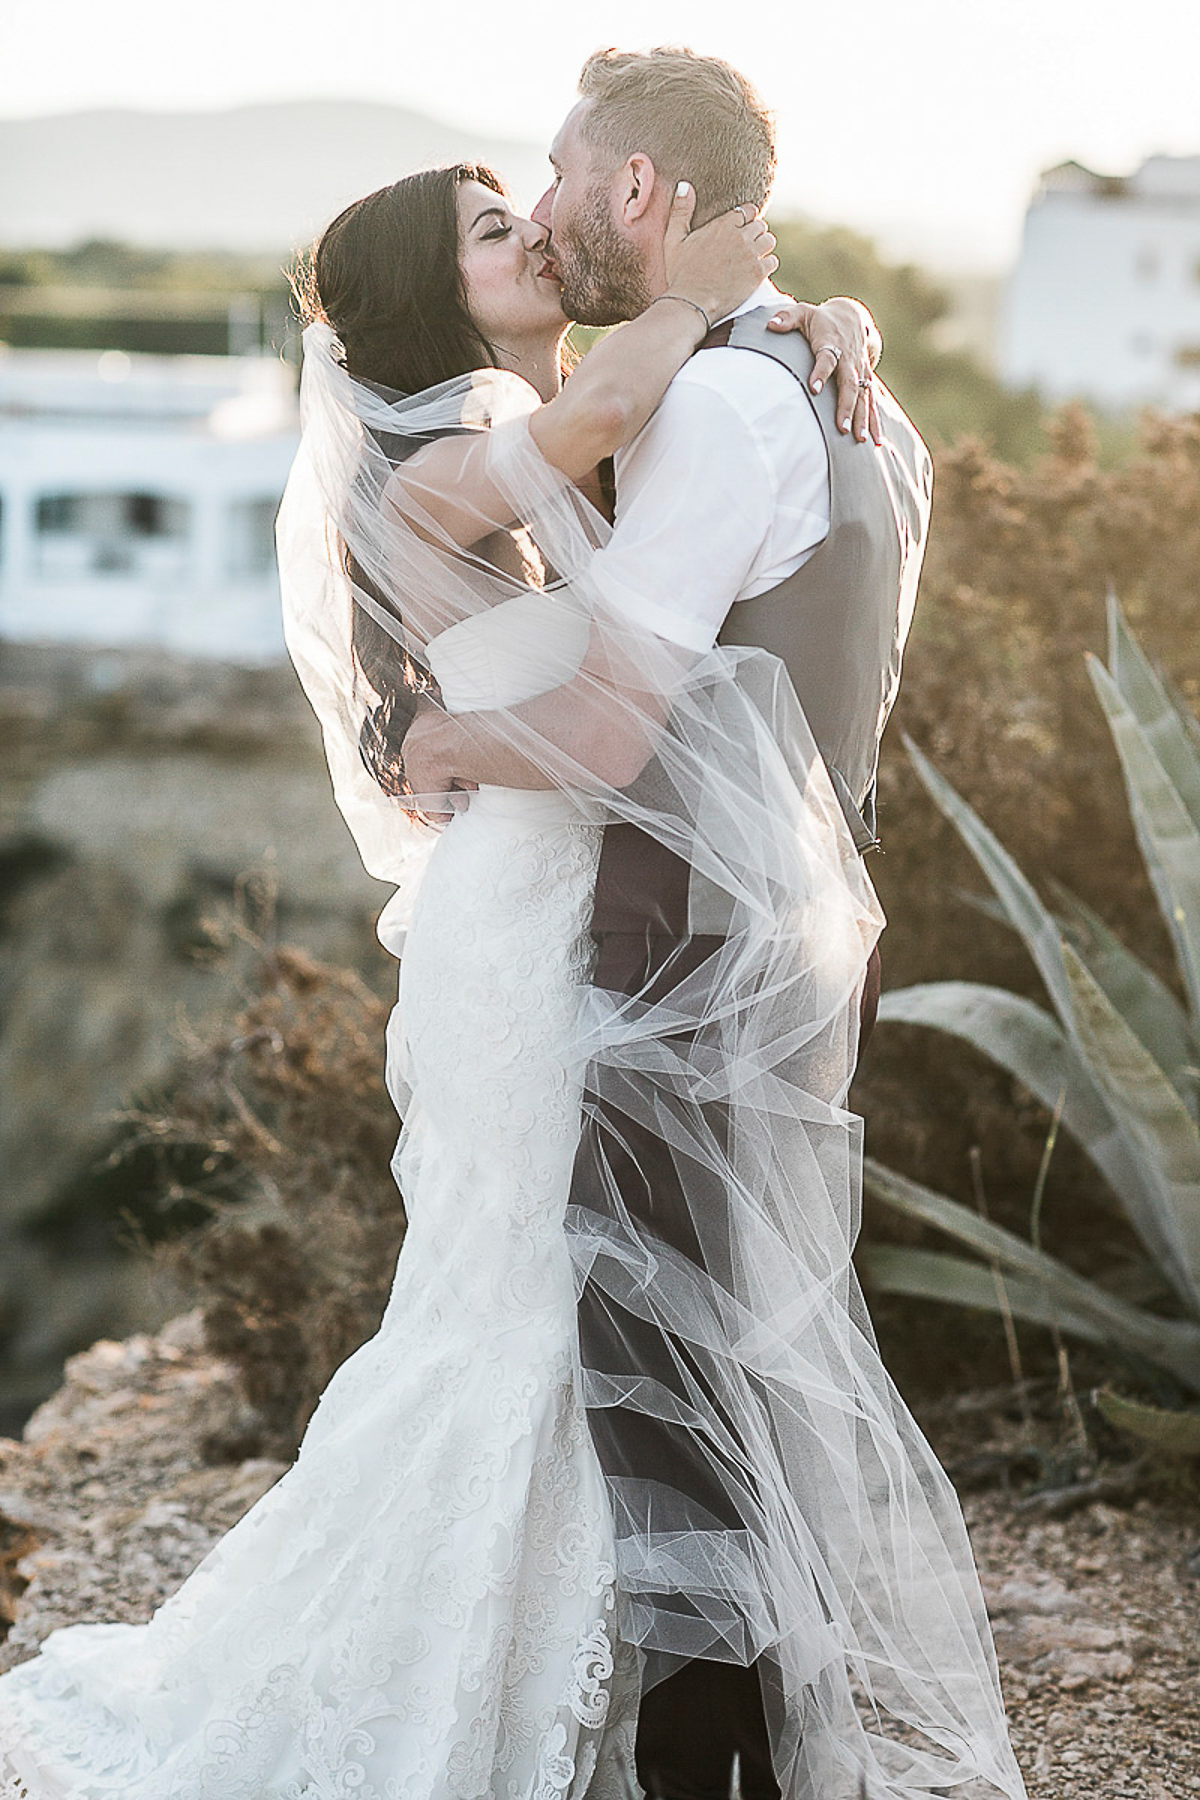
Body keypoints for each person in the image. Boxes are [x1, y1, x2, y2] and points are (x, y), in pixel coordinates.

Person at [0, 159, 894, 1796]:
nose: (534, 237)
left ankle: (618, 1688)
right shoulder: (447, 451)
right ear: (433, 293)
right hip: (529, 931)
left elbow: (652, 437)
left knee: (576, 1298)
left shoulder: (541, 430)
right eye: (496, 232)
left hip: (580, 907)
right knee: (525, 1305)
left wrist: (823, 315)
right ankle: (480, 1679)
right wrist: (706, 280)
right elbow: (605, 427)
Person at [397, 46, 1025, 1800]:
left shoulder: (735, 407)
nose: (545, 198)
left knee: (659, 1368)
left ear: (644, 196)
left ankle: (709, 1770)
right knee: (740, 1344)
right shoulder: (846, 397)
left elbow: (610, 730)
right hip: (808, 926)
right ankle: (759, 1751)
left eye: (563, 166)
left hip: (686, 935)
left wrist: (444, 738)